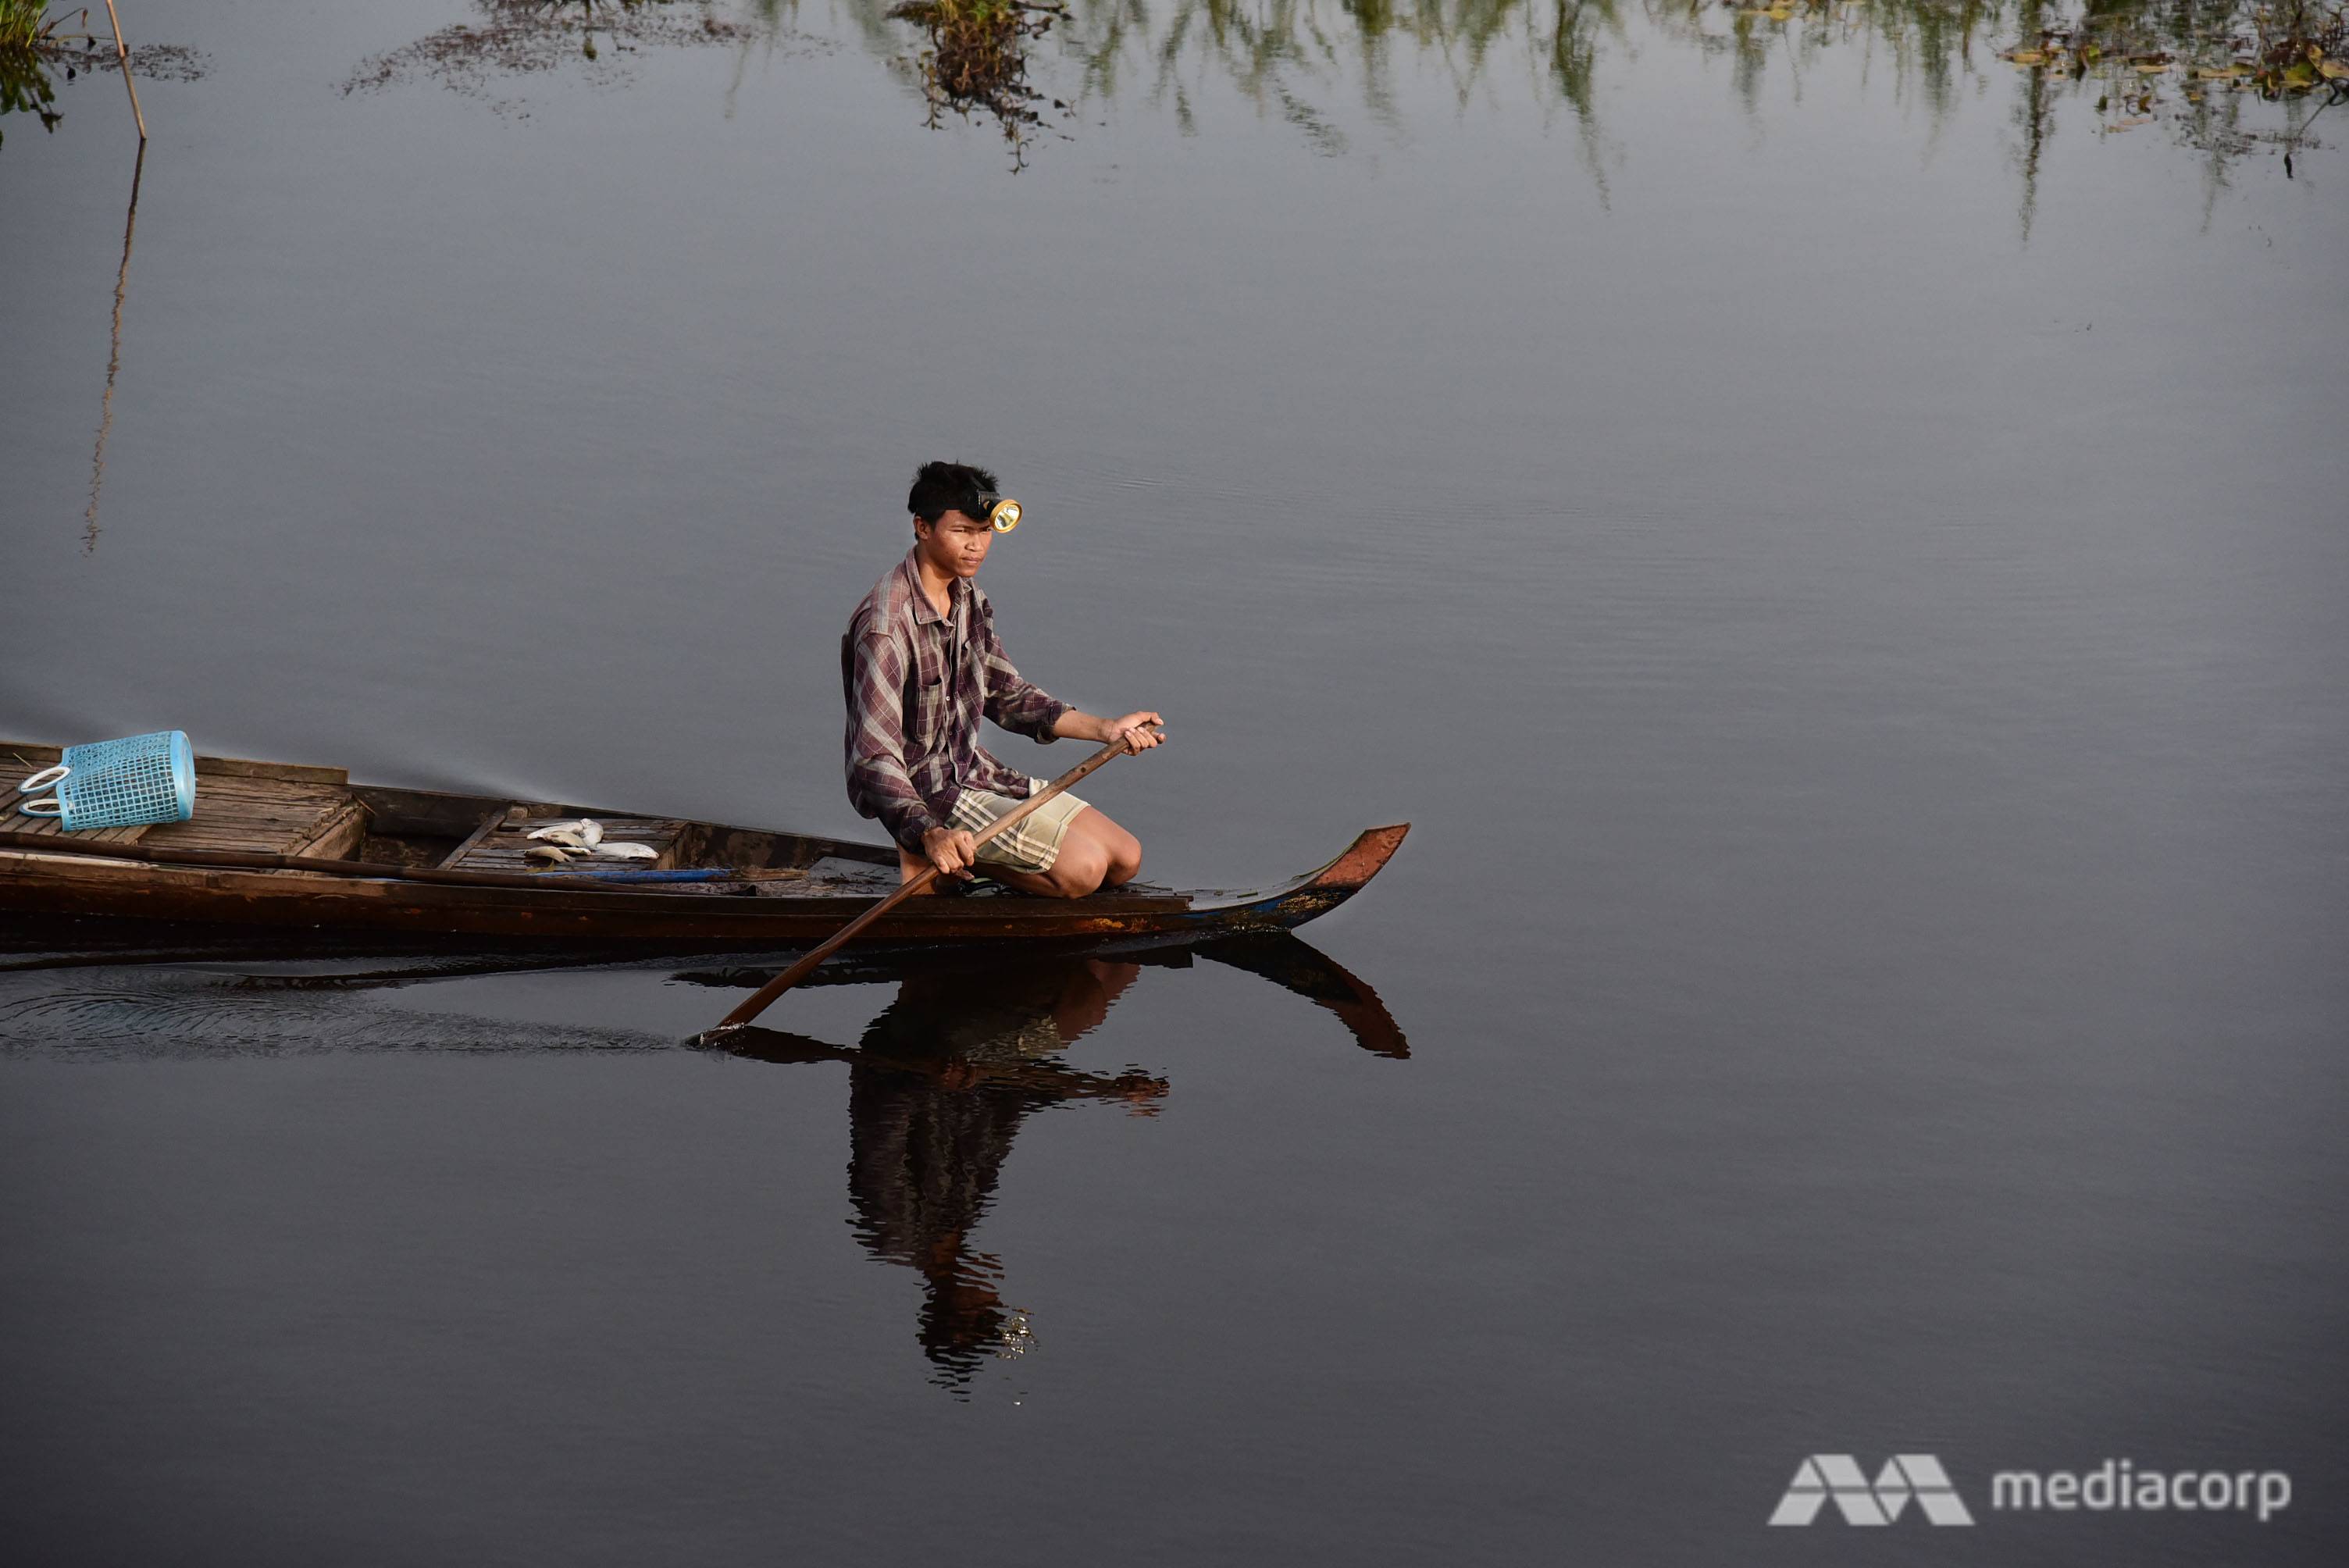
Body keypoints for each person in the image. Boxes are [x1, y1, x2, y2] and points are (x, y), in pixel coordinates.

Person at [843, 460, 1164, 896]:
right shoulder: (886, 626)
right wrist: (926, 831)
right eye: (961, 531)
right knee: (1084, 871)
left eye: (983, 532)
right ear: (922, 528)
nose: (976, 546)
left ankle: (966, 855)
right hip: (925, 797)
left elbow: (1005, 693)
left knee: (1125, 858)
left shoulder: (967, 597)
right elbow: (873, 759)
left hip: (973, 773)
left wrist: (1107, 730)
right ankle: (923, 857)